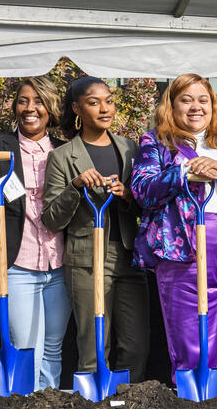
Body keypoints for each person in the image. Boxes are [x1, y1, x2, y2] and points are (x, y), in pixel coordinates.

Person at [132, 73, 217, 384]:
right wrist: (185, 172)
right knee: (195, 340)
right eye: (186, 100)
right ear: (172, 106)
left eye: (203, 100)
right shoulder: (158, 142)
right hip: (187, 248)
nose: (196, 107)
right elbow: (142, 189)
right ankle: (198, 404)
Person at [42, 76, 149, 383]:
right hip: (87, 260)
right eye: (93, 102)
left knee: (136, 346)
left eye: (109, 101)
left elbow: (146, 206)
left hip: (129, 258)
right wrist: (75, 186)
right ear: (77, 108)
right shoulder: (62, 157)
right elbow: (51, 219)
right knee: (93, 348)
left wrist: (128, 196)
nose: (105, 109)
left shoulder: (130, 149)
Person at [0, 77, 70, 390]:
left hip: (60, 265)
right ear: (15, 106)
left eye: (38, 101)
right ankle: (27, 408)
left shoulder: (64, 151)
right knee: (26, 347)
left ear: (49, 108)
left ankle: (48, 405)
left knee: (53, 347)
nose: (30, 108)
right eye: (23, 100)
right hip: (16, 263)